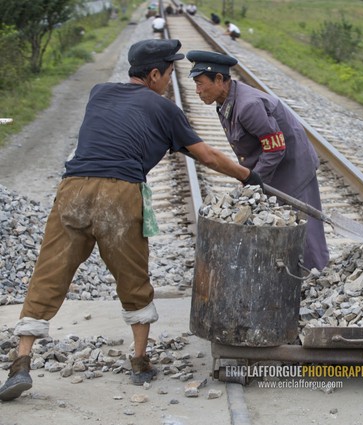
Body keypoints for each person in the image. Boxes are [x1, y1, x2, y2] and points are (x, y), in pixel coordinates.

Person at [0, 39, 262, 402]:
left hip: (72, 189)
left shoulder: (99, 93)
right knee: (133, 276)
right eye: (169, 73)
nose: (171, 81)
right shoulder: (165, 109)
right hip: (120, 195)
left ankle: (22, 361)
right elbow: (208, 155)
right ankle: (139, 362)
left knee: (49, 271)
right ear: (154, 74)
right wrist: (248, 176)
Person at [186, 50, 330, 271]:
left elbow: (275, 148)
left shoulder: (248, 106)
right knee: (280, 222)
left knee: (305, 226)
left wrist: (254, 180)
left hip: (293, 168)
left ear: (218, 80)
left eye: (200, 83)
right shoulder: (225, 102)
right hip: (273, 168)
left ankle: (318, 276)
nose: (197, 91)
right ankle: (291, 276)